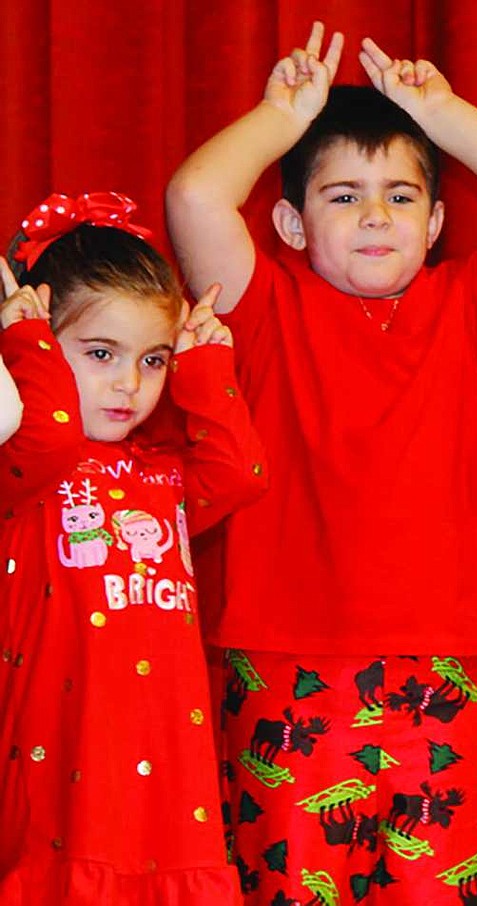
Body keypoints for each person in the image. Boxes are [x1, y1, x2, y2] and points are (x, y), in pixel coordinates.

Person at [164, 21, 477, 904]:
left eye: (399, 195)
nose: (375, 216)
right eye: (343, 195)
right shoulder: (266, 309)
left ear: (436, 222)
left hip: (446, 664)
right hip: (288, 668)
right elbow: (199, 196)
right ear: (288, 220)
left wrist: (444, 113)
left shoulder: (467, 306)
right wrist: (281, 119)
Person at [0, 191, 266, 902]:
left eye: (152, 360)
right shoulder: (23, 467)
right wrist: (24, 346)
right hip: (65, 782)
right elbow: (50, 434)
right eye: (100, 354)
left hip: (170, 798)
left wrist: (204, 363)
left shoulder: (160, 473)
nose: (129, 384)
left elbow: (240, 473)